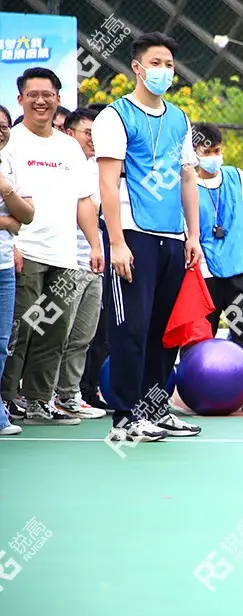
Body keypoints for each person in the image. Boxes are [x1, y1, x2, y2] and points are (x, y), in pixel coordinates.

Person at [92, 31, 204, 442]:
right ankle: (125, 417)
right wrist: (116, 242)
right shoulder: (114, 116)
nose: (164, 71)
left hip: (172, 238)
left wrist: (193, 236)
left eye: (169, 64)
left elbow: (187, 177)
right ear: (137, 68)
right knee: (131, 330)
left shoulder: (179, 118)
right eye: (156, 63)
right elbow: (107, 184)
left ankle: (155, 410)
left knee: (164, 331)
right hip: (133, 236)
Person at [1, 67, 102, 426]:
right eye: (33, 95)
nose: (40, 101)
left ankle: (39, 401)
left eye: (47, 95)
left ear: (59, 99)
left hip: (65, 256)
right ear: (20, 99)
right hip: (24, 252)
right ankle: (7, 400)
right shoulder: (10, 142)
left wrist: (95, 244)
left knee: (54, 332)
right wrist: (13, 244)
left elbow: (84, 200)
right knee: (20, 332)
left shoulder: (69, 147)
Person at [191, 122, 243, 412]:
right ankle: (198, 391)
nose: (213, 156)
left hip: (238, 269)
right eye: (206, 151)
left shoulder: (236, 177)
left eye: (217, 150)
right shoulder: (187, 183)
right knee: (202, 335)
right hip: (204, 272)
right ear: (194, 153)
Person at [52, 108, 106, 420]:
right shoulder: (60, 167)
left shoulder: (99, 170)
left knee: (83, 335)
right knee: (56, 333)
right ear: (70, 133)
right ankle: (40, 396)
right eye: (88, 133)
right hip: (64, 261)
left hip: (93, 262)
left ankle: (69, 395)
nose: (93, 140)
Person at [0, 103, 33, 435]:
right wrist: (4, 222)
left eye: (4, 126)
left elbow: (27, 215)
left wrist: (5, 186)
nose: (0, 131)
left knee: (2, 343)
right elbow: (13, 220)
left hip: (4, 268)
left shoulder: (10, 166)